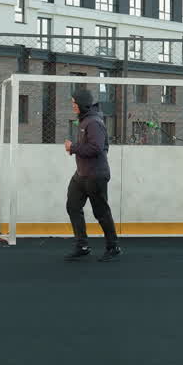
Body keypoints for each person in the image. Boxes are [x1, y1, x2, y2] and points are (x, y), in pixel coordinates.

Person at [64, 89, 120, 262]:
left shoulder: (93, 122)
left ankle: (113, 247)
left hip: (95, 176)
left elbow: (96, 148)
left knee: (101, 212)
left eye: (74, 103)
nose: (72, 105)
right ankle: (82, 246)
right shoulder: (85, 121)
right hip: (81, 175)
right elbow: (103, 147)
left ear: (82, 104)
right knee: (73, 206)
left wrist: (72, 148)